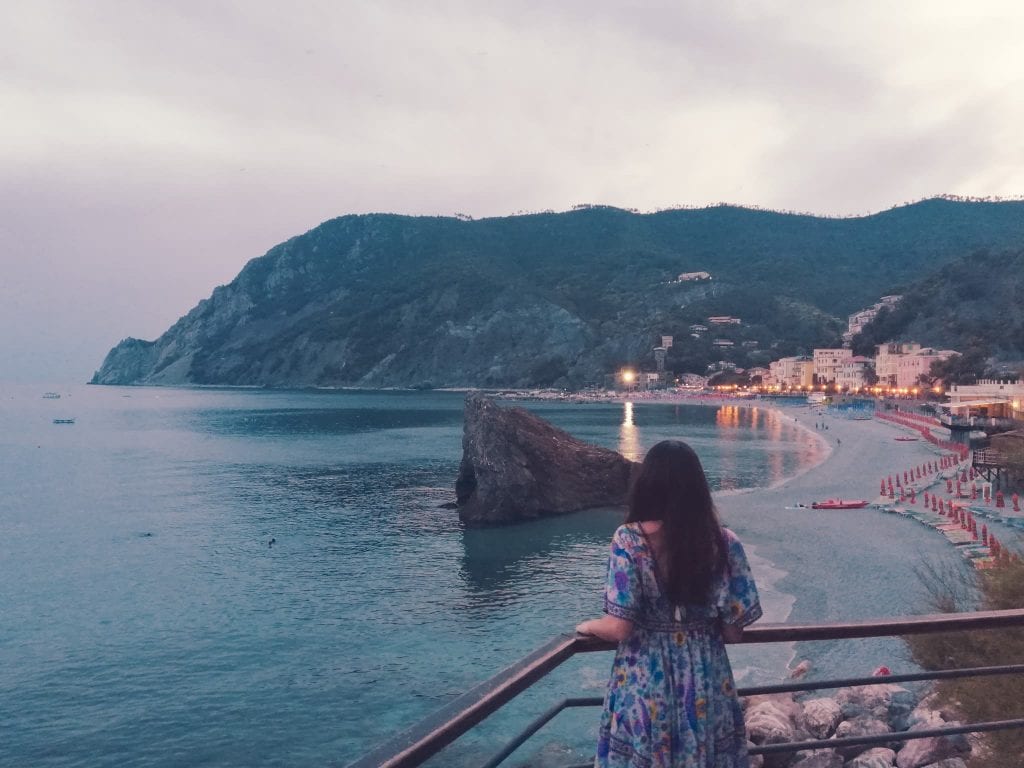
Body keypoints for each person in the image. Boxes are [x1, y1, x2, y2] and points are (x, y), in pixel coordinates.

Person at [577, 440, 762, 767]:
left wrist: (587, 626)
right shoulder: (724, 542)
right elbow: (734, 632)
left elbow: (619, 627)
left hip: (647, 678)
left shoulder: (629, 539)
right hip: (706, 679)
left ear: (648, 485)